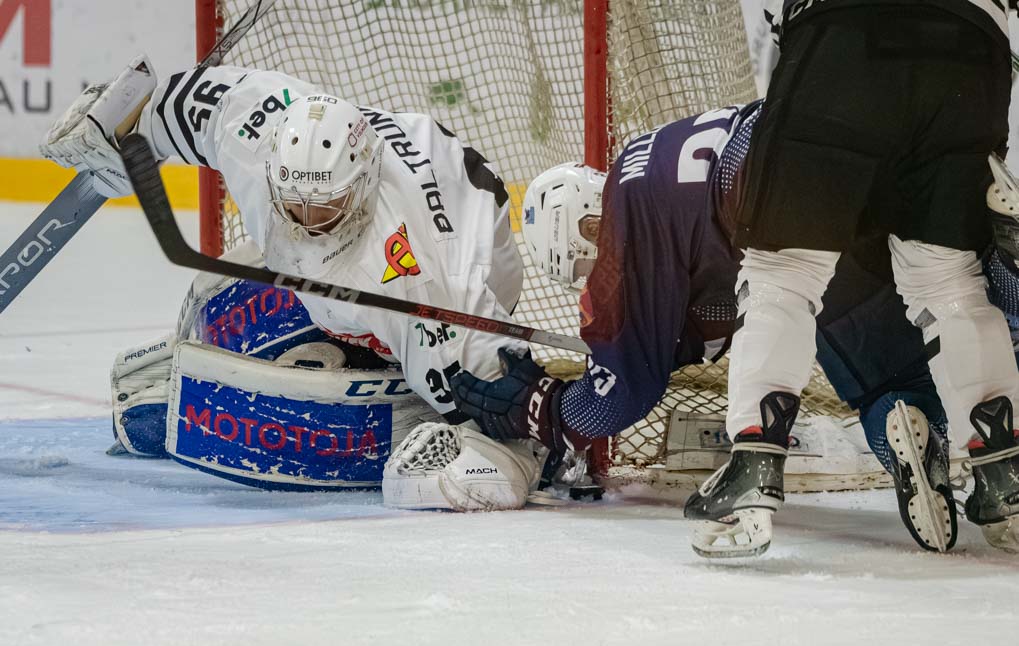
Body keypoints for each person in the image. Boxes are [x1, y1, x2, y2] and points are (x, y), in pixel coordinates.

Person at [451, 99, 1019, 555]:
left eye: (583, 266)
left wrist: (541, 410)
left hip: (775, 198)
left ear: (587, 227)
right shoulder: (646, 164)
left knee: (783, 302)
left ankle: (755, 471)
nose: (591, 277)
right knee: (934, 313)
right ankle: (932, 409)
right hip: (841, 151)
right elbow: (703, 313)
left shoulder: (626, 227)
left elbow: (620, 395)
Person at [39, 58, 544, 511]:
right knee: (221, 306)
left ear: (364, 182)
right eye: (292, 204)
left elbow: (505, 405)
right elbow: (182, 106)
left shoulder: (415, 279)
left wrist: (512, 437)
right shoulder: (256, 129)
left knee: (317, 404)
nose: (306, 223)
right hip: (398, 240)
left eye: (324, 209)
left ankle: (391, 371)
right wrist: (120, 127)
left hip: (464, 263)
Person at [709, 0, 1019, 557]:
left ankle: (755, 466)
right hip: (972, 44)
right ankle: (1004, 472)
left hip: (844, 34)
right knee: (950, 281)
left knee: (784, 268)